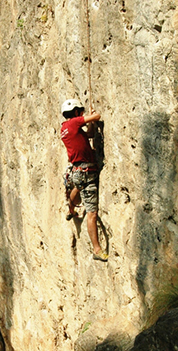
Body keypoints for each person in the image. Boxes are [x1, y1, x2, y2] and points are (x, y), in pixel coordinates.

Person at [60, 98, 107, 262]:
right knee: (92, 213)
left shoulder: (65, 128)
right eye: (80, 111)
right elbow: (96, 117)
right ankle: (97, 249)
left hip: (77, 171)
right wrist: (93, 115)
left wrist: (92, 124)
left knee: (78, 188)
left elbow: (90, 134)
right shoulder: (73, 123)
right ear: (75, 112)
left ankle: (71, 210)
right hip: (87, 170)